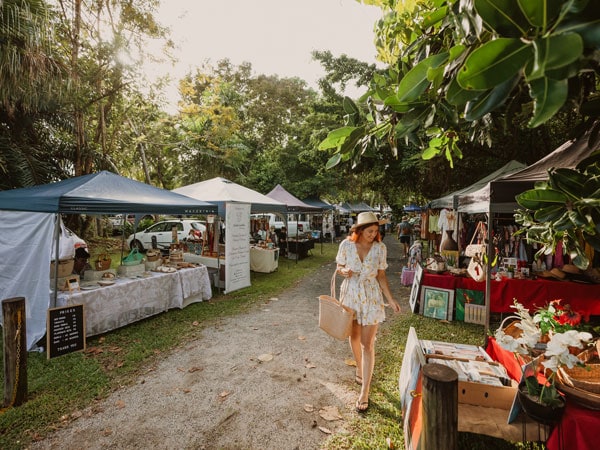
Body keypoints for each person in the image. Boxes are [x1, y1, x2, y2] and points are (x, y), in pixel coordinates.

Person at [335, 211, 401, 412]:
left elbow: (381, 276)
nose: (373, 234)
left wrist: (390, 299)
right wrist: (343, 271)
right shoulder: (346, 245)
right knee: (353, 336)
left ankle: (364, 391)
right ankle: (359, 366)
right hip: (351, 294)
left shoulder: (380, 248)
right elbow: (339, 266)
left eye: (376, 231)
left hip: (371, 296)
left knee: (367, 343)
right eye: (370, 231)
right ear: (360, 230)